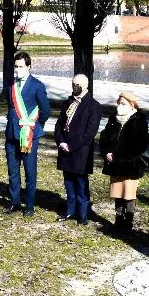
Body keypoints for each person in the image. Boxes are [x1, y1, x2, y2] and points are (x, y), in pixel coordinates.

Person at [3, 51, 50, 217]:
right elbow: (10, 106)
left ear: (28, 67)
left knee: (30, 172)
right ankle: (14, 201)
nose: (17, 70)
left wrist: (33, 127)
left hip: (29, 135)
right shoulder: (11, 85)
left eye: (20, 67)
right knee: (13, 171)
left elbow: (45, 110)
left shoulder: (37, 85)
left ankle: (29, 205)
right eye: (15, 66)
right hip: (11, 135)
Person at [53, 74, 102, 225]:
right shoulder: (68, 102)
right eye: (73, 84)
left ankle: (83, 215)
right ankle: (70, 211)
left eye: (77, 85)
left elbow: (90, 133)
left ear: (85, 86)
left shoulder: (94, 106)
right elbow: (59, 125)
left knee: (81, 185)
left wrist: (72, 146)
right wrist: (61, 142)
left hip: (81, 153)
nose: (74, 87)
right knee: (68, 182)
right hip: (65, 150)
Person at [99, 92, 149, 233]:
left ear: (131, 105)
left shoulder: (139, 121)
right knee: (117, 192)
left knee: (128, 194)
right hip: (115, 165)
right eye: (119, 103)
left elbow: (139, 146)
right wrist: (107, 152)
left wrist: (119, 156)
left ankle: (128, 222)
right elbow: (104, 138)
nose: (120, 107)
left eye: (123, 104)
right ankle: (118, 220)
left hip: (131, 166)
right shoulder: (113, 119)